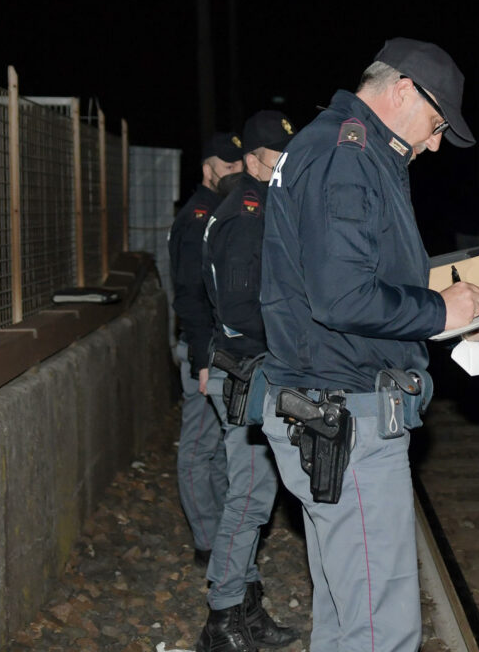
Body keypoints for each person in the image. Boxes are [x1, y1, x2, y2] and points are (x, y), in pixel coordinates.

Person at [255, 38, 479, 652]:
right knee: (380, 626)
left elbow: (364, 282)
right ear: (403, 88)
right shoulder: (347, 156)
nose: (434, 144)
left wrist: (458, 320)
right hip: (345, 413)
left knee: (346, 618)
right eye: (435, 125)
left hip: (328, 406)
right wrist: (437, 310)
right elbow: (342, 296)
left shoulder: (349, 150)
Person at [196, 112, 298, 650]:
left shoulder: (259, 206)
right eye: (278, 153)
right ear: (256, 158)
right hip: (246, 371)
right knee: (251, 497)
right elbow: (240, 307)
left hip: (248, 369)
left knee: (256, 494)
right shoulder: (248, 213)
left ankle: (246, 610)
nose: (287, 161)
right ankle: (221, 619)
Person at [167, 132, 241, 567]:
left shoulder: (222, 211)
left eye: (238, 164)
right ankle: (207, 543)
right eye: (225, 165)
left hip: (215, 348)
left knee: (217, 447)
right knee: (199, 446)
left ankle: (220, 536)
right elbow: (190, 294)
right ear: (207, 169)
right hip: (203, 351)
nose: (233, 171)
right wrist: (200, 358)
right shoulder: (198, 217)